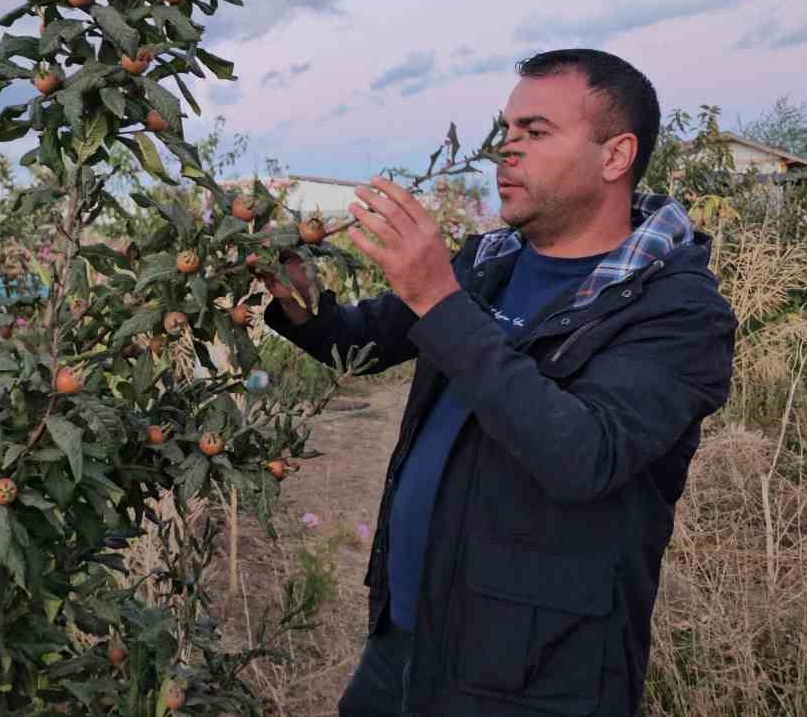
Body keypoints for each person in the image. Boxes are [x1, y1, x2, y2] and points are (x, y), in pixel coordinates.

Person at [259, 49, 737, 716]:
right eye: (504, 132)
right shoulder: (487, 263)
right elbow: (360, 345)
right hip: (404, 647)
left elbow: (582, 455)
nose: (502, 153)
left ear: (615, 155)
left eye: (534, 134)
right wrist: (292, 297)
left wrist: (439, 298)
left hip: (535, 683)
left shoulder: (677, 311)